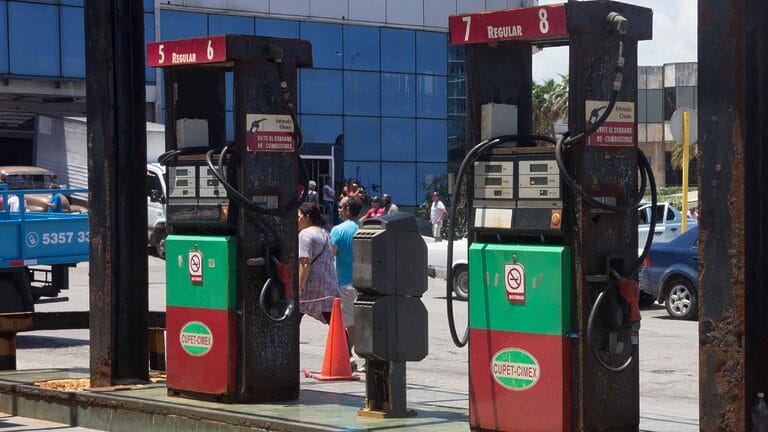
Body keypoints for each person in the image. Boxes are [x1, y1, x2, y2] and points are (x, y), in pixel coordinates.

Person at [330, 196, 363, 370]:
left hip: (345, 283)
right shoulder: (363, 229)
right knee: (362, 321)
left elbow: (330, 255)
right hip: (364, 283)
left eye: (341, 208)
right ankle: (352, 354)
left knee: (349, 323)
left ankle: (359, 354)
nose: (338, 210)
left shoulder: (338, 230)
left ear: (348, 210)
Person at [297, 203, 338, 324]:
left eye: (299, 217)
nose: (297, 220)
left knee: (291, 321)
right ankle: (344, 342)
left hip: (310, 290)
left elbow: (304, 264)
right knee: (334, 323)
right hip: (327, 287)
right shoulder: (325, 233)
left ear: (307, 217)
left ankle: (286, 343)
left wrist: (297, 289)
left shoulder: (305, 234)